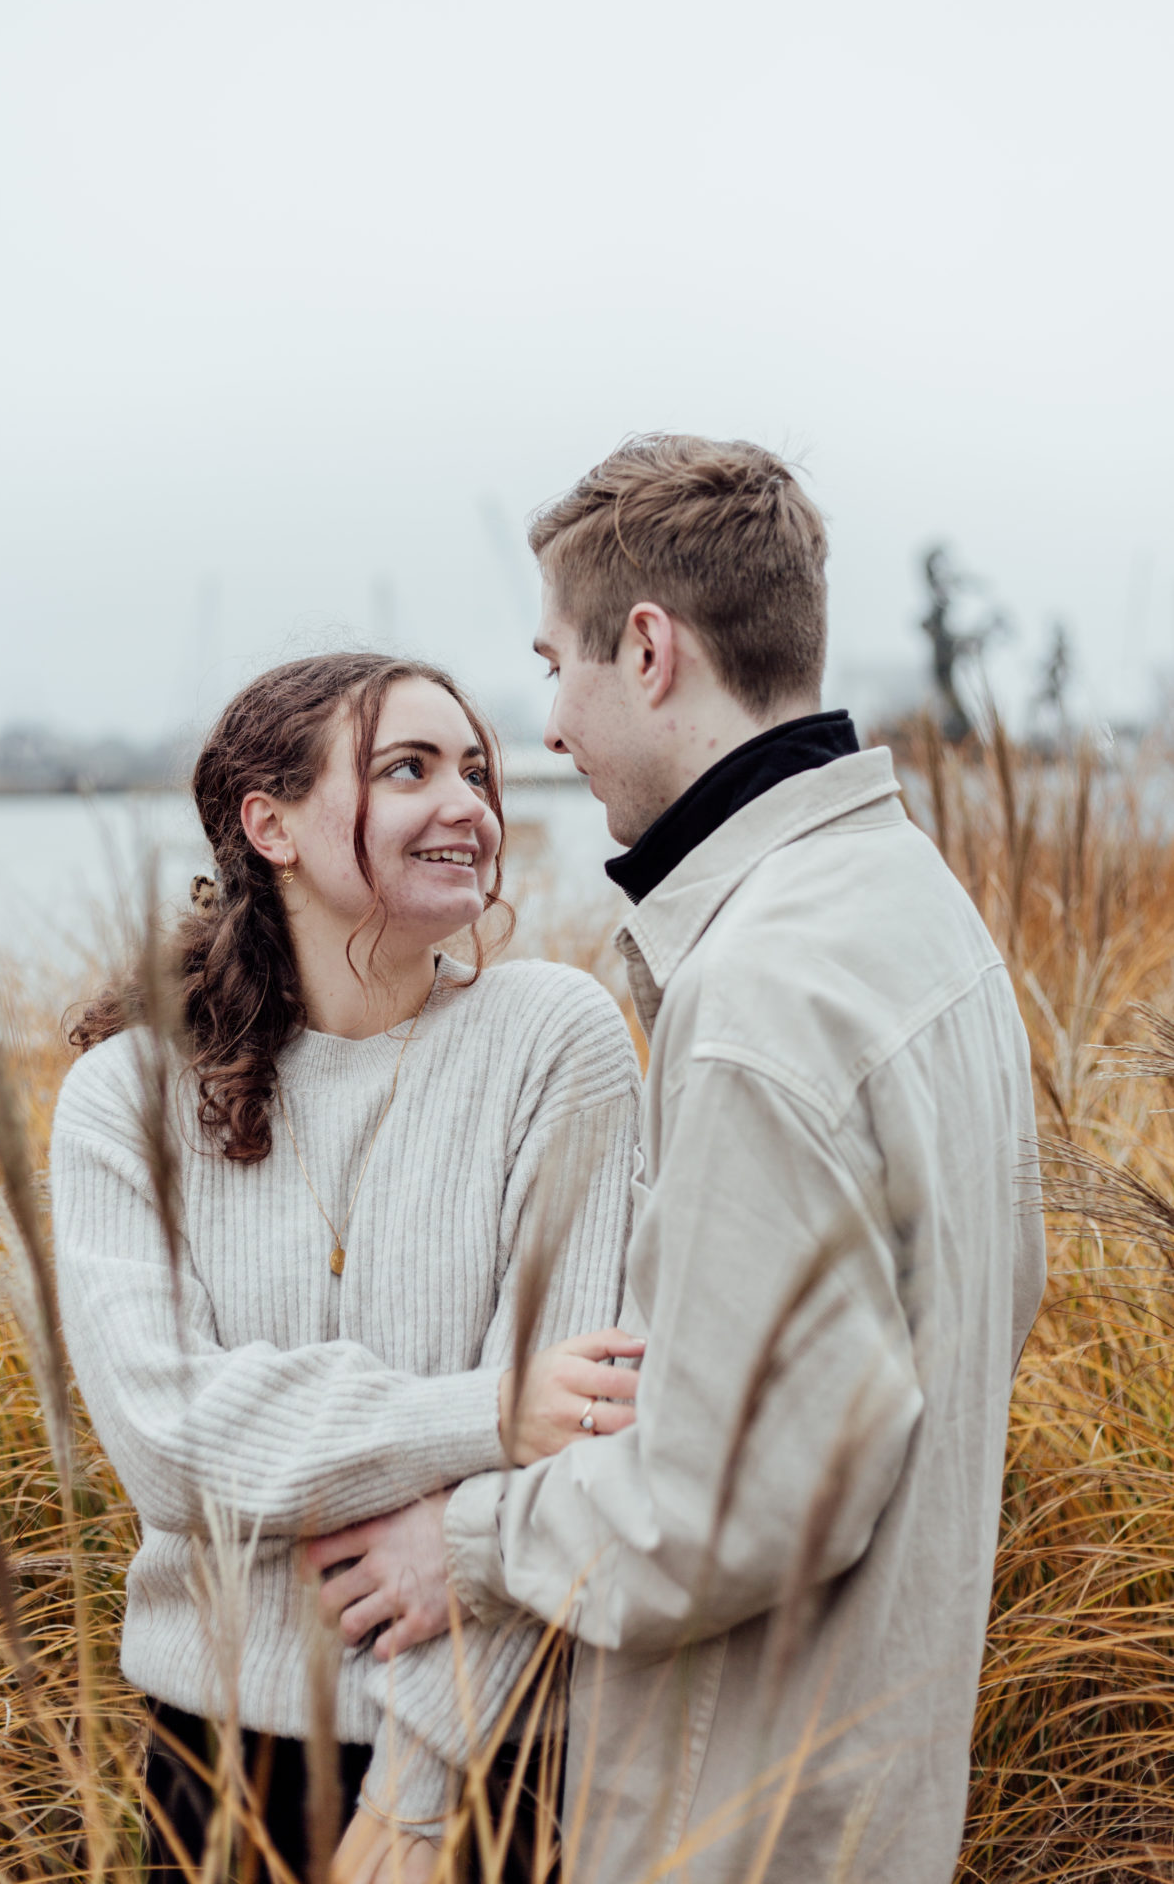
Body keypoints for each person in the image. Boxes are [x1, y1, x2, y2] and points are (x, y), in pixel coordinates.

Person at [308, 439, 1048, 1884]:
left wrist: (461, 1542)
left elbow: (730, 1498)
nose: (554, 727)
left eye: (556, 666)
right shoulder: (915, 909)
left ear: (646, 650)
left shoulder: (762, 995)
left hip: (752, 1814)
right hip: (872, 1789)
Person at [49, 652, 642, 1882]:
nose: (468, 803)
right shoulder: (127, 1099)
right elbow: (168, 1446)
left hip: (490, 1762)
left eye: (475, 768)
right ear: (268, 823)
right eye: (406, 768)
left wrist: (423, 1790)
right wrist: (480, 1410)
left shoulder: (554, 1037)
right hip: (210, 1769)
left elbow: (580, 1435)